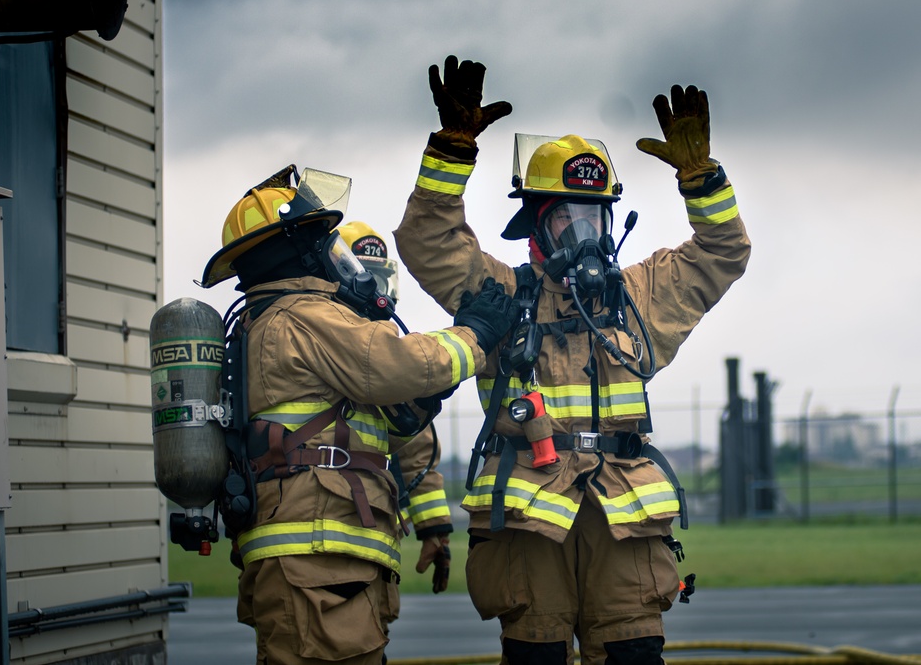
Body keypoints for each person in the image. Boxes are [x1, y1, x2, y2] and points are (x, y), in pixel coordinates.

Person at [393, 56, 751, 664]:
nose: (585, 231)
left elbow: (724, 250)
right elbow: (428, 242)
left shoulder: (641, 296)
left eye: (594, 216)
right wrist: (451, 154)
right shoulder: (501, 296)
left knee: (634, 654)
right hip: (532, 527)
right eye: (566, 216)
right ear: (537, 226)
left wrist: (702, 179)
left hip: (624, 523)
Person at [198, 164, 511, 665]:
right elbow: (397, 364)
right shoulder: (303, 314)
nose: (332, 252)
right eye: (323, 239)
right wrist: (476, 333)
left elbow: (390, 429)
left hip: (317, 556)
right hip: (317, 558)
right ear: (295, 247)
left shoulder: (271, 320)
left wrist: (430, 523)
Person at [335, 221, 455, 650]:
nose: (377, 292)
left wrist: (434, 530)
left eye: (381, 278)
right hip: (321, 528)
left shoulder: (386, 348)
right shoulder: (326, 336)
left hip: (373, 532)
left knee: (370, 640)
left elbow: (417, 448)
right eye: (365, 278)